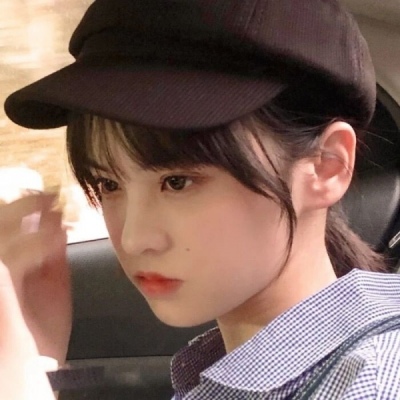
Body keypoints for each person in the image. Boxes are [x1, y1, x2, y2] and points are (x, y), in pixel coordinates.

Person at [2, 0, 400, 398]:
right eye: (108, 184)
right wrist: (38, 357)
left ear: (326, 166)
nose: (134, 239)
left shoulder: (374, 382)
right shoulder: (234, 370)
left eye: (177, 182)